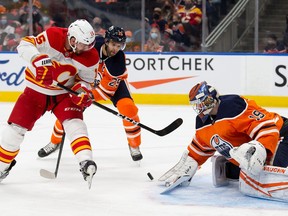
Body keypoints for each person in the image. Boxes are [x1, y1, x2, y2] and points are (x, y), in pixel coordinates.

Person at [0, 19, 99, 186]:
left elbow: (86, 82)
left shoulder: (90, 56)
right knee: (14, 130)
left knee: (75, 123)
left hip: (63, 95)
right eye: (83, 44)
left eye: (89, 45)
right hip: (35, 91)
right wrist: (37, 59)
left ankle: (86, 162)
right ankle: (2, 167)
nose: (87, 49)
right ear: (73, 39)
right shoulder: (53, 36)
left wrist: (82, 92)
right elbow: (24, 45)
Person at [159, 81, 288, 201]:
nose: (200, 107)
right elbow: (201, 146)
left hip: (280, 133)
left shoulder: (233, 105)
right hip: (261, 143)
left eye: (202, 102)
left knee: (269, 172)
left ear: (212, 98)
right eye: (196, 104)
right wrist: (191, 162)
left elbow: (266, 126)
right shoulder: (201, 123)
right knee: (236, 172)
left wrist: (260, 147)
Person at [37, 26, 143, 162]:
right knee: (68, 111)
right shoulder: (91, 45)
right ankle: (54, 142)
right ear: (106, 41)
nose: (115, 49)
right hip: (87, 81)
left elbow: (107, 91)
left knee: (128, 108)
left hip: (110, 85)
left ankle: (134, 145)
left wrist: (90, 96)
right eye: (113, 44)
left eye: (119, 46)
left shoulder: (118, 62)